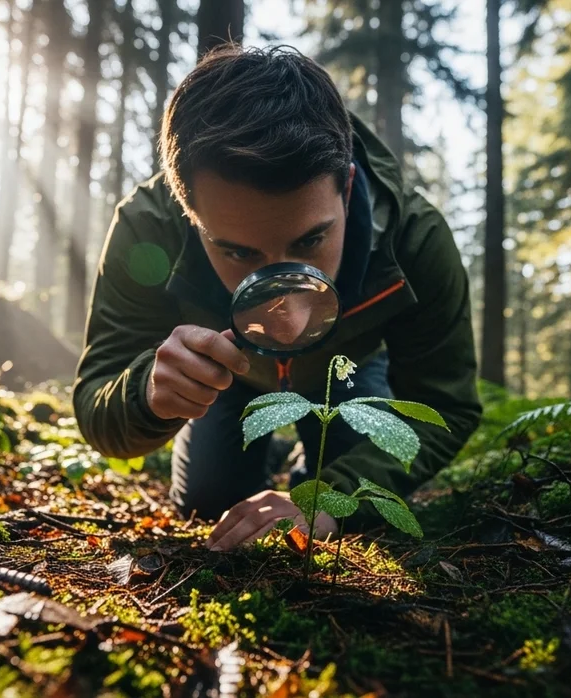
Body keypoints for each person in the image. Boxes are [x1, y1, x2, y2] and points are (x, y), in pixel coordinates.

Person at [73, 44, 481, 551]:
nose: (285, 316)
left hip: (345, 377)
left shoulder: (413, 239)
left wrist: (332, 497)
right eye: (236, 251)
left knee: (360, 493)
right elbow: (97, 403)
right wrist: (151, 395)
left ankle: (306, 464)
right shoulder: (147, 225)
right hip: (227, 385)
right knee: (208, 502)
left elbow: (447, 404)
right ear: (187, 210)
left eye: (310, 241)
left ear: (347, 184)